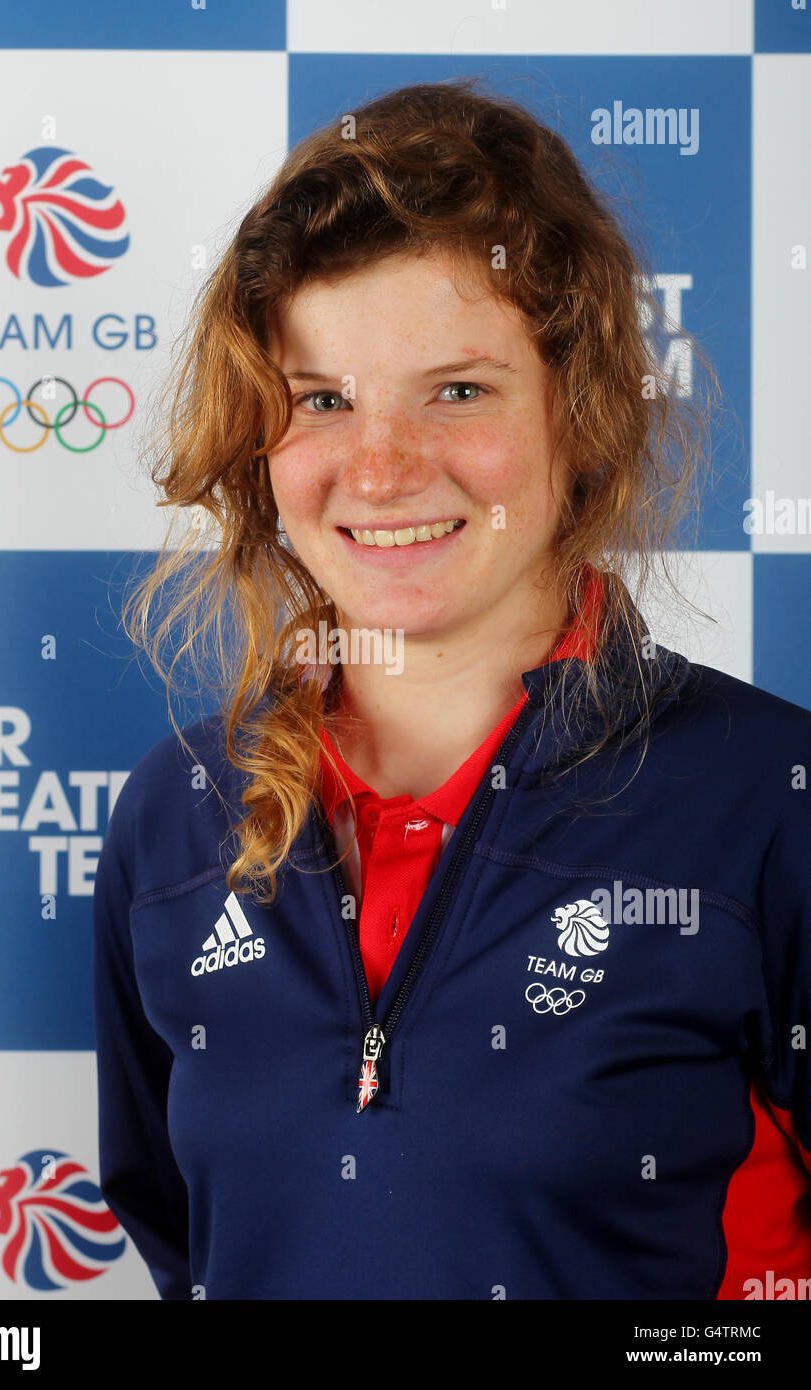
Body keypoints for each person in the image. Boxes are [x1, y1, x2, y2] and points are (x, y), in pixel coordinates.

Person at [91, 78, 811, 1300]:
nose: (381, 468)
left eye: (459, 390)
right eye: (322, 399)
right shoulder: (177, 814)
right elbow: (179, 1226)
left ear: (577, 416)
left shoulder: (766, 800)